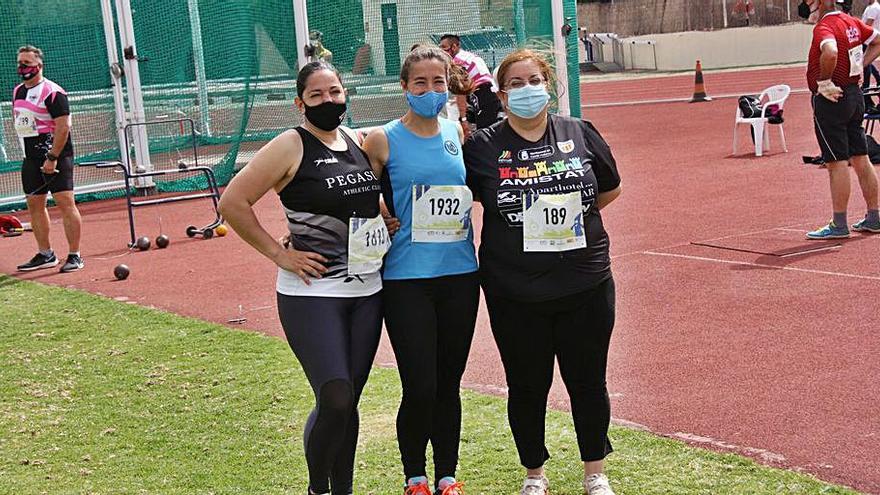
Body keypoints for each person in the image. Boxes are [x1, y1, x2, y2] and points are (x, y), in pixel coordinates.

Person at [218, 61, 392, 495]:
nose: (328, 101)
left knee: (348, 401)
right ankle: (318, 489)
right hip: (312, 293)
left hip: (367, 290)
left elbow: (367, 204)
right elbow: (233, 202)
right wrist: (281, 254)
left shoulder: (359, 141)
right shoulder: (289, 146)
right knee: (333, 396)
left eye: (334, 92)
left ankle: (344, 490)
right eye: (316, 95)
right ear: (300, 104)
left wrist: (384, 221)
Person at [462, 49, 622, 495]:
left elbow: (608, 189)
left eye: (533, 79)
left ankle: (596, 472)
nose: (526, 89)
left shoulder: (581, 132)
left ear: (548, 83)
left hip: (585, 284)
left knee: (588, 382)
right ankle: (534, 474)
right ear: (501, 93)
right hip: (515, 292)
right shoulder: (481, 148)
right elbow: (449, 195)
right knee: (527, 386)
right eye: (515, 83)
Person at [362, 46, 479, 495]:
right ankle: (415, 476)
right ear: (403, 87)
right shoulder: (382, 138)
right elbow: (362, 187)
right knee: (420, 383)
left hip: (460, 274)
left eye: (439, 83)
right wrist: (380, 213)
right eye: (421, 83)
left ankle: (448, 475)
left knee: (449, 382)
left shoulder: (456, 132)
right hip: (407, 276)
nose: (431, 91)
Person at [801, 0, 880, 238]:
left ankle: (839, 224)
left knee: (836, 162)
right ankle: (874, 217)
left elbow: (831, 51)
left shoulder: (825, 27)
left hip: (832, 99)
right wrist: (857, 67)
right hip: (854, 94)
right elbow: (876, 41)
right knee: (861, 157)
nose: (806, 4)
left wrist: (825, 81)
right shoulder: (852, 21)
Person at [13, 45, 83, 272]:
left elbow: (63, 127)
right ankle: (46, 254)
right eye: (20, 63)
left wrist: (52, 157)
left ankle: (75, 255)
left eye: (27, 64)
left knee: (65, 203)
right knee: (34, 205)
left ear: (39, 66)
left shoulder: (53, 92)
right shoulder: (18, 91)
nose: (22, 68)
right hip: (30, 158)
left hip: (55, 156)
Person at [439, 34, 502, 129]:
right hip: (490, 94)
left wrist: (463, 119)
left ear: (454, 47)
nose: (442, 52)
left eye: (444, 48)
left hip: (483, 95)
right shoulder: (468, 56)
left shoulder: (457, 61)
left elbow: (461, 91)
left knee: (485, 133)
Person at [860, 0, 880, 109]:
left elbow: (867, 25)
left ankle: (866, 96)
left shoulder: (873, 8)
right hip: (868, 40)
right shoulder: (870, 7)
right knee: (866, 63)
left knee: (865, 64)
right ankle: (878, 79)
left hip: (869, 40)